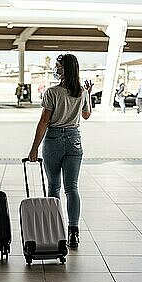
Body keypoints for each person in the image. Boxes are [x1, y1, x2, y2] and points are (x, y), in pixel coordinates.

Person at [28, 54, 93, 248]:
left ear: (64, 70)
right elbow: (87, 115)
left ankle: (54, 229)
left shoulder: (52, 92)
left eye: (58, 66)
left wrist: (34, 149)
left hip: (54, 140)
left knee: (54, 186)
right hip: (74, 141)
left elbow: (44, 122)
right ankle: (74, 232)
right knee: (72, 188)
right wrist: (88, 93)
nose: (56, 69)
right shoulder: (81, 91)